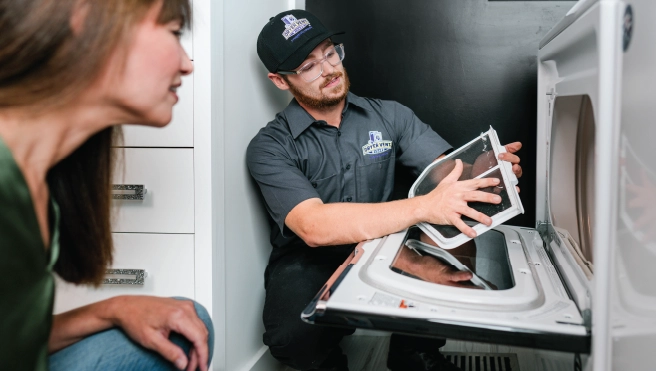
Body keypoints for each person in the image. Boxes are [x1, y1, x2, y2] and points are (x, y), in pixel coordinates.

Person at [247, 10, 523, 371]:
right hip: (309, 257)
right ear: (280, 81)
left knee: (458, 235)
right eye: (308, 66)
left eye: (330, 53)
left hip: (390, 242)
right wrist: (425, 207)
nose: (329, 69)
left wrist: (487, 169)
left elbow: (449, 176)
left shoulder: (390, 116)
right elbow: (313, 226)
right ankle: (327, 358)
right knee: (290, 335)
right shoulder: (269, 146)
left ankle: (414, 352)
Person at [0, 1, 213, 370]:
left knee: (186, 321)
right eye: (174, 33)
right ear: (84, 20)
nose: (187, 64)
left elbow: (13, 333)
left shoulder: (38, 181)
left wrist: (115, 309)